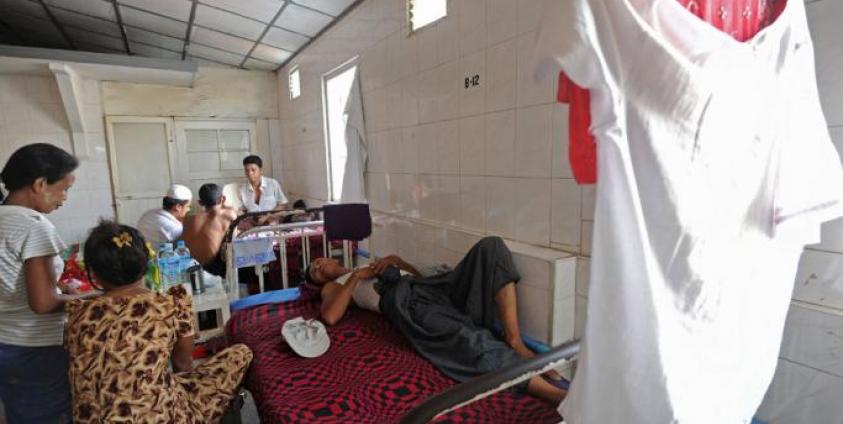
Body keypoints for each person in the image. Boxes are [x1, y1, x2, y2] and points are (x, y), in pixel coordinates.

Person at [304, 236, 568, 404]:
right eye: (314, 272)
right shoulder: (335, 286)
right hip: (405, 302)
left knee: (491, 247)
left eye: (317, 261)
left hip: (430, 287)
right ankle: (558, 396)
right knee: (468, 338)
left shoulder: (368, 259)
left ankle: (514, 339)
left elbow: (416, 275)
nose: (318, 265)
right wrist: (354, 278)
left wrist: (395, 261)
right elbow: (330, 316)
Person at [65, 221, 252, 422]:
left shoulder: (78, 312)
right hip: (159, 416)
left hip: (92, 419)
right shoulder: (169, 303)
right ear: (146, 263)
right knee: (240, 353)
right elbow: (182, 363)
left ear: (94, 273)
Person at [0, 143, 92, 423]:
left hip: (5, 342)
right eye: (64, 188)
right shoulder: (34, 226)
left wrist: (59, 289)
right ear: (40, 184)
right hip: (34, 346)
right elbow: (43, 304)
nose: (64, 198)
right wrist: (92, 299)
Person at [182, 184, 237, 277]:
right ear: (222, 199)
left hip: (192, 267)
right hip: (217, 270)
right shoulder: (228, 215)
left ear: (200, 202)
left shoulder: (188, 219)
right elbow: (234, 241)